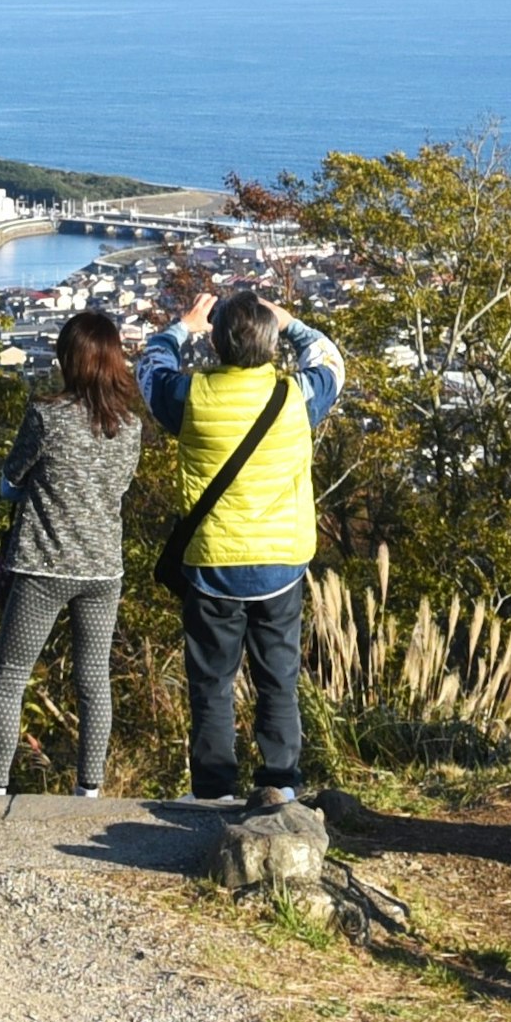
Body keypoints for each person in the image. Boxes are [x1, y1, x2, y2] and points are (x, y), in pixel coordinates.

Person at [136, 285, 346, 808]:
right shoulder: (296, 398)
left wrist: (184, 327)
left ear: (217, 347)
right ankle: (281, 783)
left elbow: (149, 367)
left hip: (212, 564)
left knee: (212, 680)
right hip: (281, 562)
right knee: (279, 677)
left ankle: (214, 791)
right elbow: (333, 364)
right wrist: (293, 322)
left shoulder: (190, 399)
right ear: (271, 346)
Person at [0, 309, 146, 800]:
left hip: (43, 566)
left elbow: (12, 481)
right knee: (94, 681)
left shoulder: (47, 416)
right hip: (102, 569)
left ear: (68, 359)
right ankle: (88, 789)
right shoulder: (130, 427)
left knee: (10, 679)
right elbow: (120, 487)